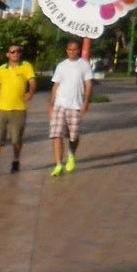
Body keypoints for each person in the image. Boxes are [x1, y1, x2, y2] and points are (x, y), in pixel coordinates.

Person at [0, 43, 37, 176]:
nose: (16, 53)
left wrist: (30, 92)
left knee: (16, 139)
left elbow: (32, 82)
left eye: (18, 51)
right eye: (12, 51)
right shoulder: (1, 69)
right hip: (2, 108)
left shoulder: (26, 66)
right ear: (7, 54)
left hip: (18, 109)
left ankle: (16, 160)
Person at [48, 40, 93, 176]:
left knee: (74, 136)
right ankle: (58, 164)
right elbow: (55, 85)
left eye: (75, 49)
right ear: (66, 50)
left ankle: (71, 154)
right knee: (57, 134)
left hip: (75, 105)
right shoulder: (61, 66)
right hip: (60, 104)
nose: (72, 51)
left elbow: (89, 85)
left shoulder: (84, 65)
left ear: (78, 50)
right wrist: (51, 104)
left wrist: (86, 102)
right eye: (70, 49)